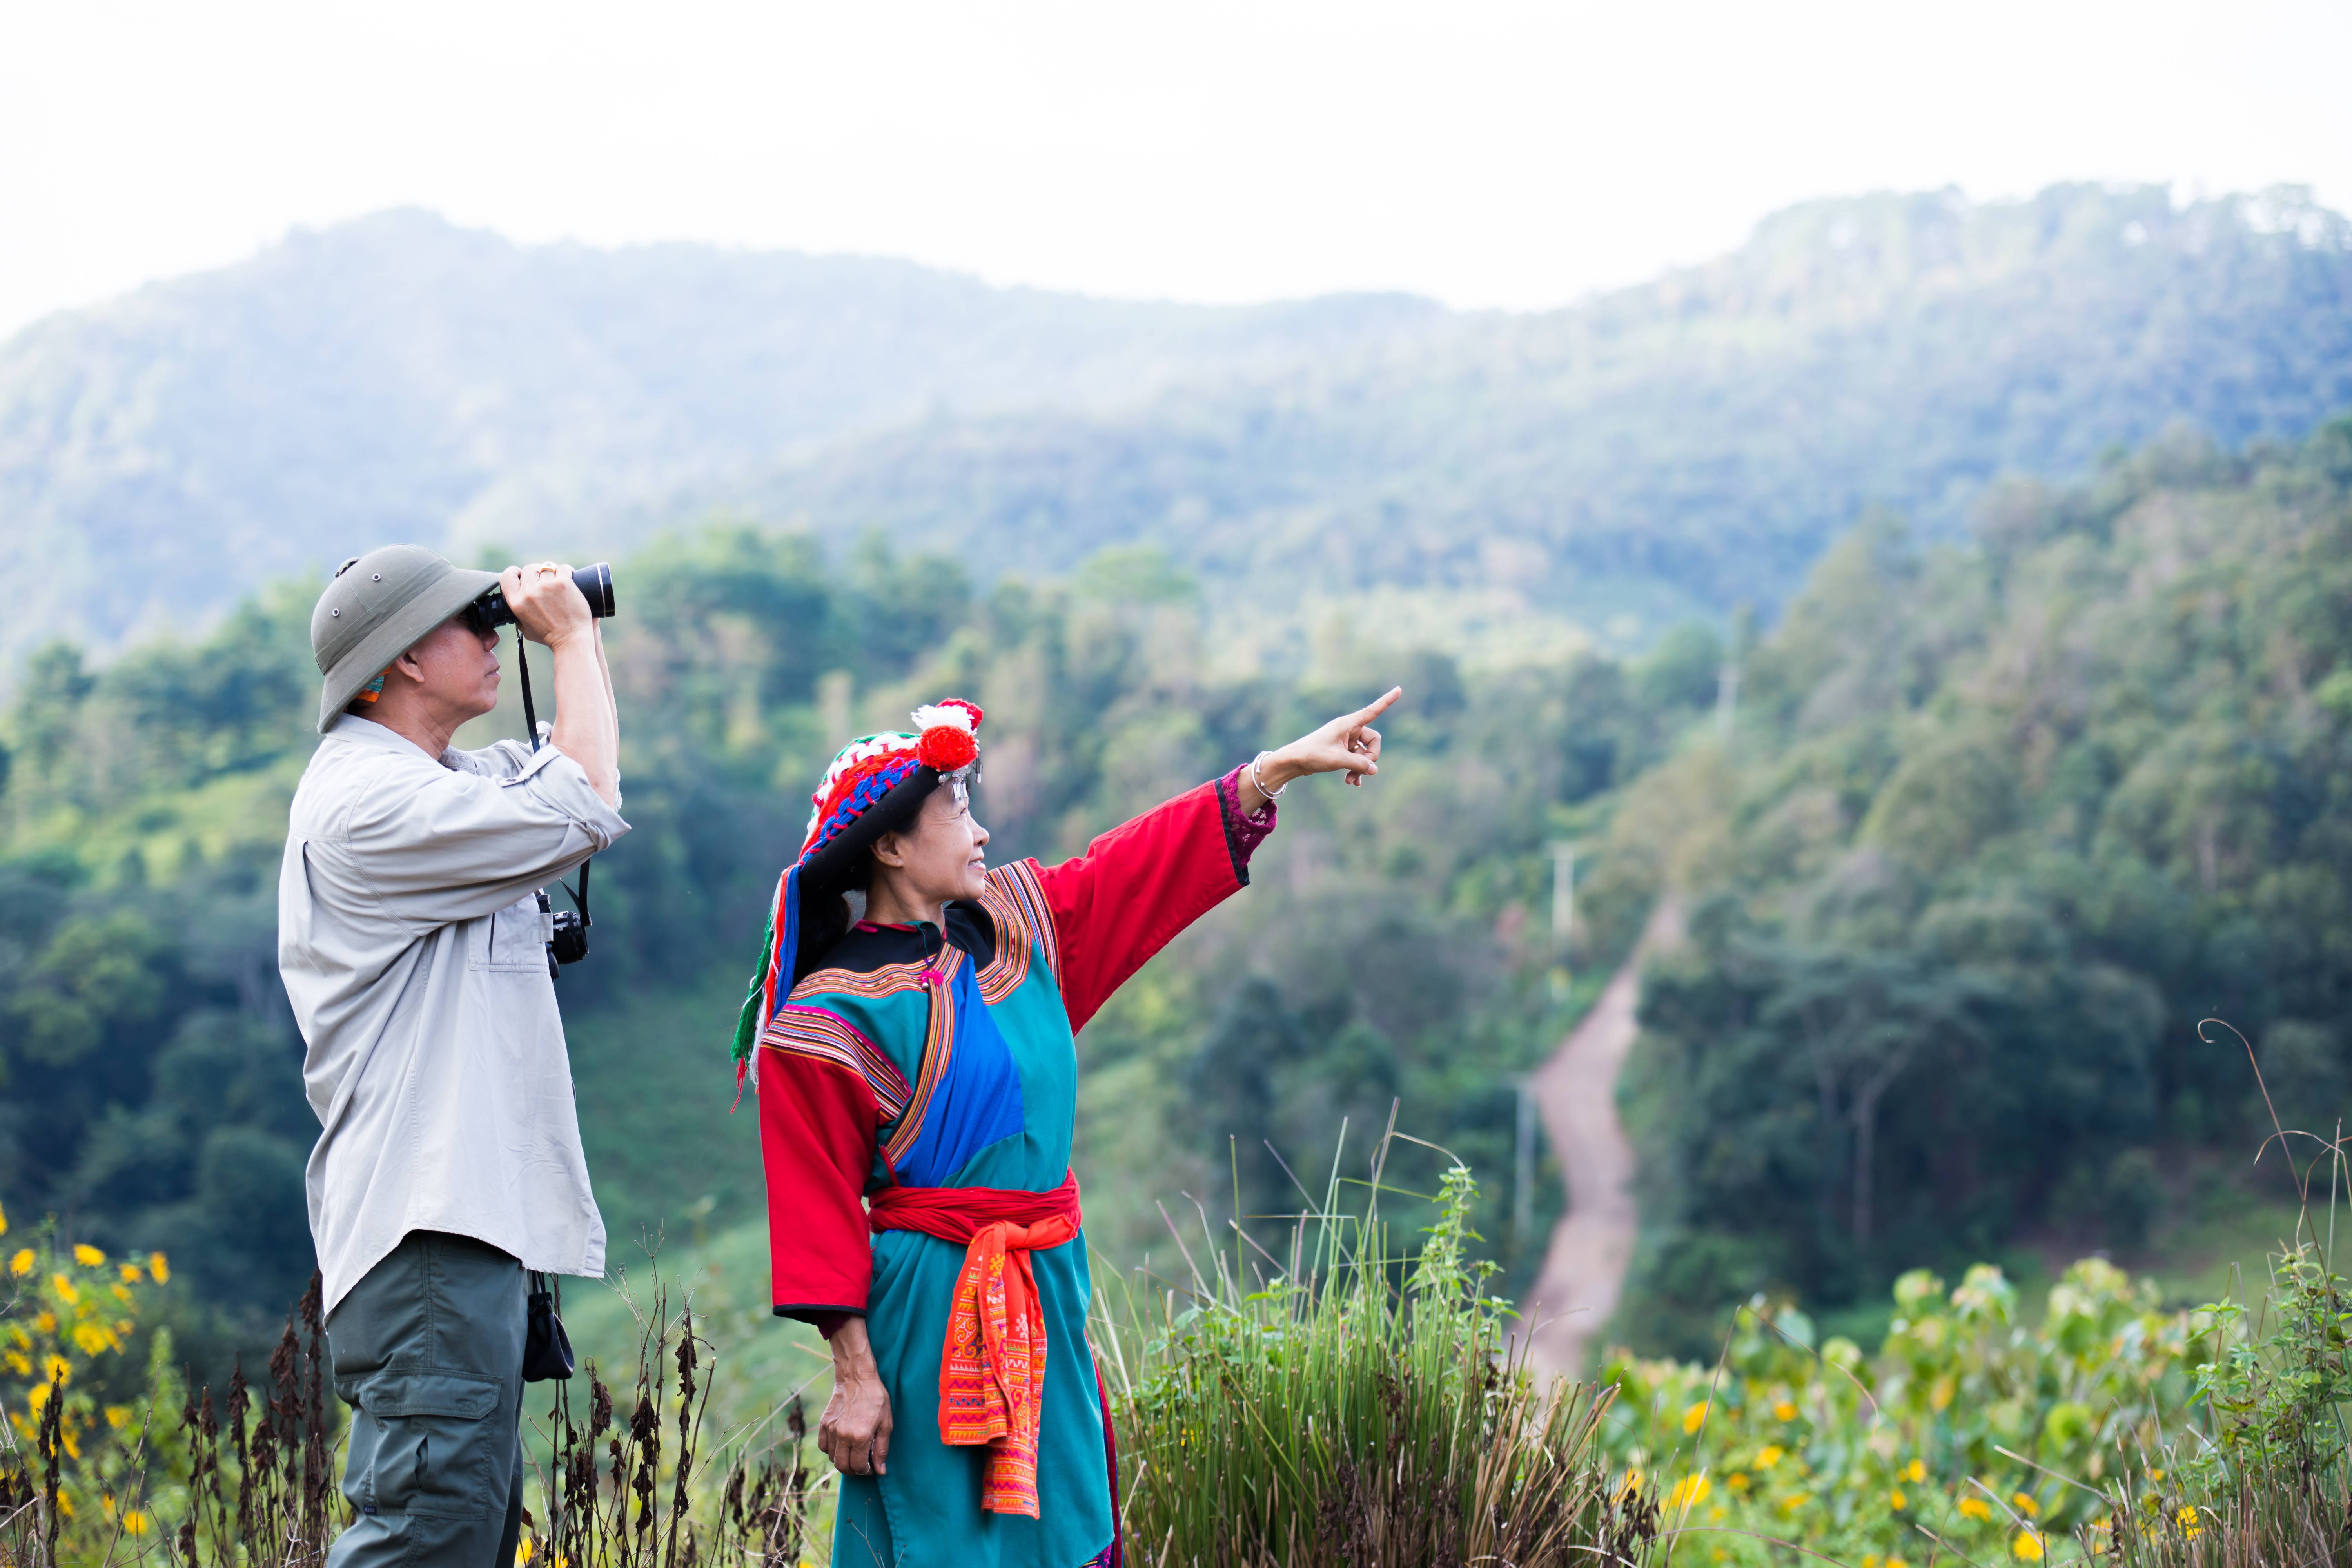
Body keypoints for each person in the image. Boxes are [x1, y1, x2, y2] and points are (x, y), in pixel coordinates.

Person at [736, 687, 1401, 1568]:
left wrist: (1272, 771)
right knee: (942, 1538)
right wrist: (856, 1375)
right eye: (957, 809)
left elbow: (1135, 866)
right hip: (929, 1320)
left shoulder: (1019, 929)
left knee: (1064, 1524)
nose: (979, 832)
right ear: (890, 845)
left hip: (1044, 1294)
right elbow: (814, 1206)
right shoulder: (824, 1020)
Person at [277, 546, 628, 1567]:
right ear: (398, 661)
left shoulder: (431, 782)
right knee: (423, 1540)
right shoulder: (368, 804)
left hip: (456, 1228)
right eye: (471, 620)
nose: (492, 634)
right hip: (427, 1229)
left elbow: (576, 780)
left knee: (459, 1534)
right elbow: (585, 800)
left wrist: (570, 646)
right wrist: (567, 635)